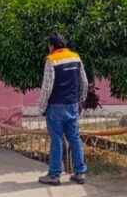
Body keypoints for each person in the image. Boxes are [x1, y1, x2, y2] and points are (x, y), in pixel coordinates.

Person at [38, 32, 89, 186]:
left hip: (55, 107)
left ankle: (54, 175)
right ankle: (80, 172)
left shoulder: (51, 60)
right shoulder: (76, 57)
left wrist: (41, 107)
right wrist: (80, 100)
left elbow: (47, 88)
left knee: (57, 140)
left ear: (51, 45)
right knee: (74, 137)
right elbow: (84, 82)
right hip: (72, 105)